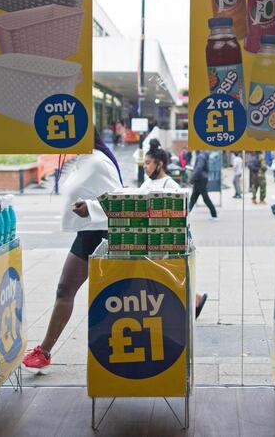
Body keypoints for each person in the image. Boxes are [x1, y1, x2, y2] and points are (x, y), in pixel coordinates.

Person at [23, 132, 123, 370]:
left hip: (105, 234)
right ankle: (45, 351)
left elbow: (120, 200)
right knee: (64, 289)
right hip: (88, 233)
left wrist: (92, 207)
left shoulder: (98, 162)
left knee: (112, 297)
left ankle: (118, 350)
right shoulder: (82, 160)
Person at [142, 146, 208, 318]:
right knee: (165, 272)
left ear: (160, 164)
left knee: (172, 272)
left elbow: (181, 211)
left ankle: (193, 300)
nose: (145, 166)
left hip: (170, 237)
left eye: (148, 163)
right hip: (155, 237)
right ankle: (194, 299)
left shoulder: (170, 184)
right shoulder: (147, 182)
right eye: (144, 163)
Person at [188, 151, 218, 220]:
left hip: (200, 179)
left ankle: (214, 215)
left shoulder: (200, 157)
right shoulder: (203, 156)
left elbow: (199, 168)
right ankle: (186, 214)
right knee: (193, 198)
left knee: (205, 198)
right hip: (200, 178)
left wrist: (192, 177)